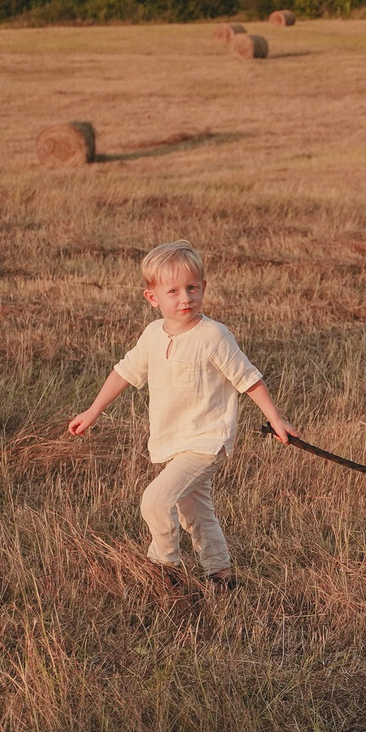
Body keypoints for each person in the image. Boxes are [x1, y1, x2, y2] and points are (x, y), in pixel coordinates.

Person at [69, 240, 291, 587]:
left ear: (203, 288)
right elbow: (125, 372)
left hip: (206, 441)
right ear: (152, 298)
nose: (185, 298)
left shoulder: (214, 336)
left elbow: (248, 378)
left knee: (155, 501)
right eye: (173, 291)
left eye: (192, 288)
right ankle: (220, 575)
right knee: (196, 512)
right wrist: (93, 410)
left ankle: (164, 571)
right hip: (171, 440)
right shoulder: (152, 335)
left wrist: (276, 419)